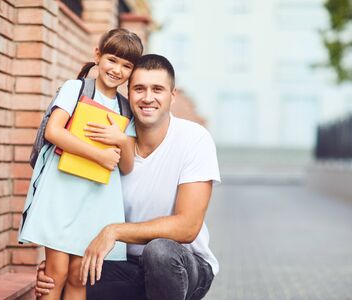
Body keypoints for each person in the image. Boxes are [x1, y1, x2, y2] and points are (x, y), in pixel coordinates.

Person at [35, 54, 221, 300]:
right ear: (128, 93)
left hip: (184, 266)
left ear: (172, 96)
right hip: (123, 262)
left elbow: (187, 227)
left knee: (159, 252)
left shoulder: (194, 139)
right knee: (69, 280)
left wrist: (114, 231)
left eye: (157, 89)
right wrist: (57, 268)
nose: (147, 98)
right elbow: (78, 204)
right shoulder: (110, 138)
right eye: (139, 89)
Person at [18, 29, 143, 300]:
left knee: (79, 275)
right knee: (56, 272)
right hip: (61, 193)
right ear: (97, 56)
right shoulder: (75, 89)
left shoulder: (125, 108)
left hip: (94, 201)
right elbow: (54, 131)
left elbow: (128, 165)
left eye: (127, 65)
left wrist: (121, 140)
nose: (117, 70)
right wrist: (98, 155)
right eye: (112, 60)